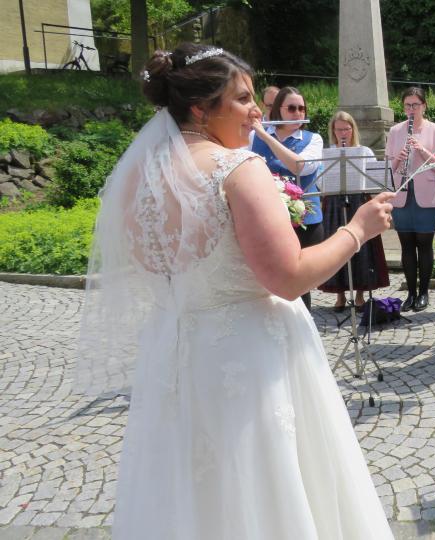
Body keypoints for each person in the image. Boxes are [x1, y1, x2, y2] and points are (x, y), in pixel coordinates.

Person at [76, 43, 395, 539]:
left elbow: (147, 264)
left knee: (190, 496)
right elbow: (288, 278)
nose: (256, 112)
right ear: (201, 109)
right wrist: (357, 229)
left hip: (174, 358)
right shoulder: (238, 169)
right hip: (250, 361)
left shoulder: (136, 175)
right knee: (267, 493)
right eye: (243, 99)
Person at [250, 86, 325, 309]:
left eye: (302, 108)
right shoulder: (253, 137)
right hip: (267, 219)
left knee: (300, 285)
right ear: (278, 110)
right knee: (269, 282)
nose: (298, 113)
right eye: (291, 108)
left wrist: (266, 136)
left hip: (305, 221)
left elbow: (299, 166)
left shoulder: (314, 139)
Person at [319, 111, 390, 311]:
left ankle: (360, 294)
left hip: (359, 201)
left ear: (353, 129)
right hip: (334, 201)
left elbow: (374, 179)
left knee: (362, 247)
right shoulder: (328, 153)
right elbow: (320, 182)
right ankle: (340, 295)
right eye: (339, 129)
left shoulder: (364, 151)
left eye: (347, 129)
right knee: (336, 246)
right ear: (333, 131)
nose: (343, 133)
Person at [386, 87, 435, 312]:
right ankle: (411, 293)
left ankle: (424, 292)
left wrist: (422, 150)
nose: (411, 109)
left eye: (416, 105)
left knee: (424, 244)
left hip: (427, 195)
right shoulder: (395, 131)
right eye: (407, 105)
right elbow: (387, 167)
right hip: (401, 194)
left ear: (424, 106)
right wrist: (398, 158)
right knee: (406, 245)